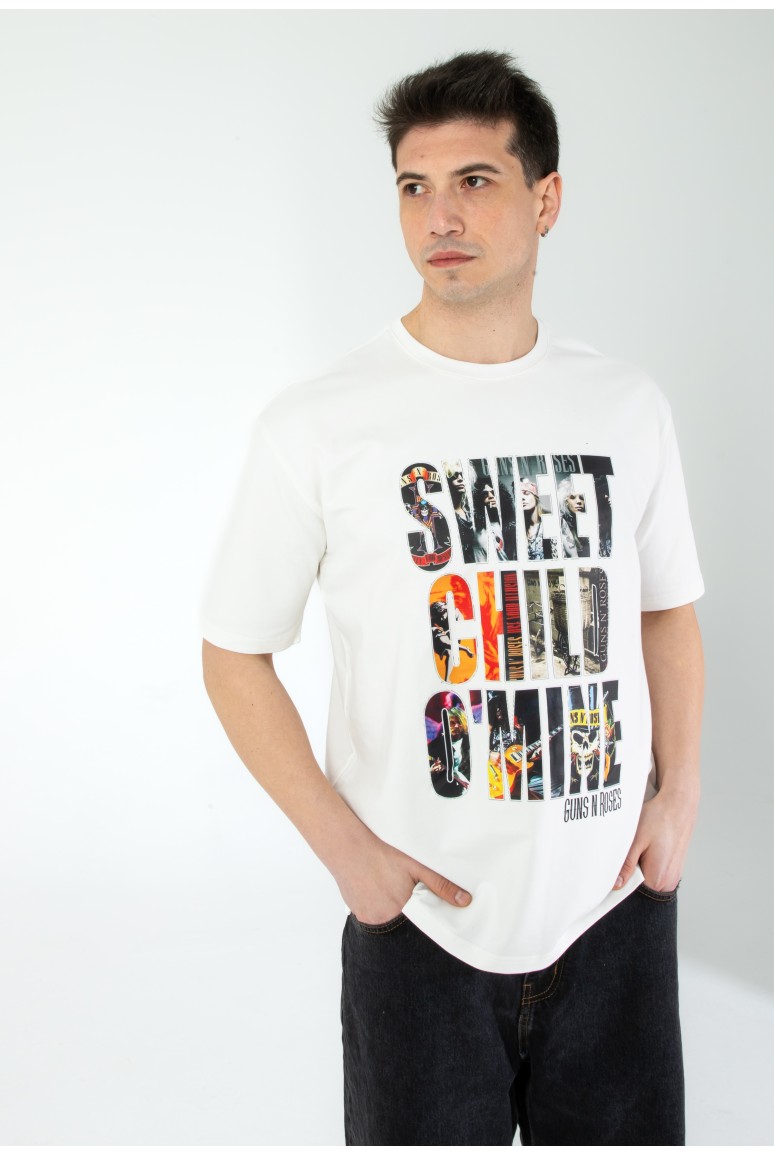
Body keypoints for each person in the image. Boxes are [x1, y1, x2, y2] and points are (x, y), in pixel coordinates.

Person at [200, 49, 704, 1146]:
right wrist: (350, 857)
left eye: (475, 180)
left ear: (546, 198)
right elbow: (233, 652)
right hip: (422, 927)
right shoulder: (318, 423)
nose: (440, 216)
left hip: (611, 913)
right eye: (414, 187)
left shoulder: (624, 405)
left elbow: (666, 608)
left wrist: (679, 801)